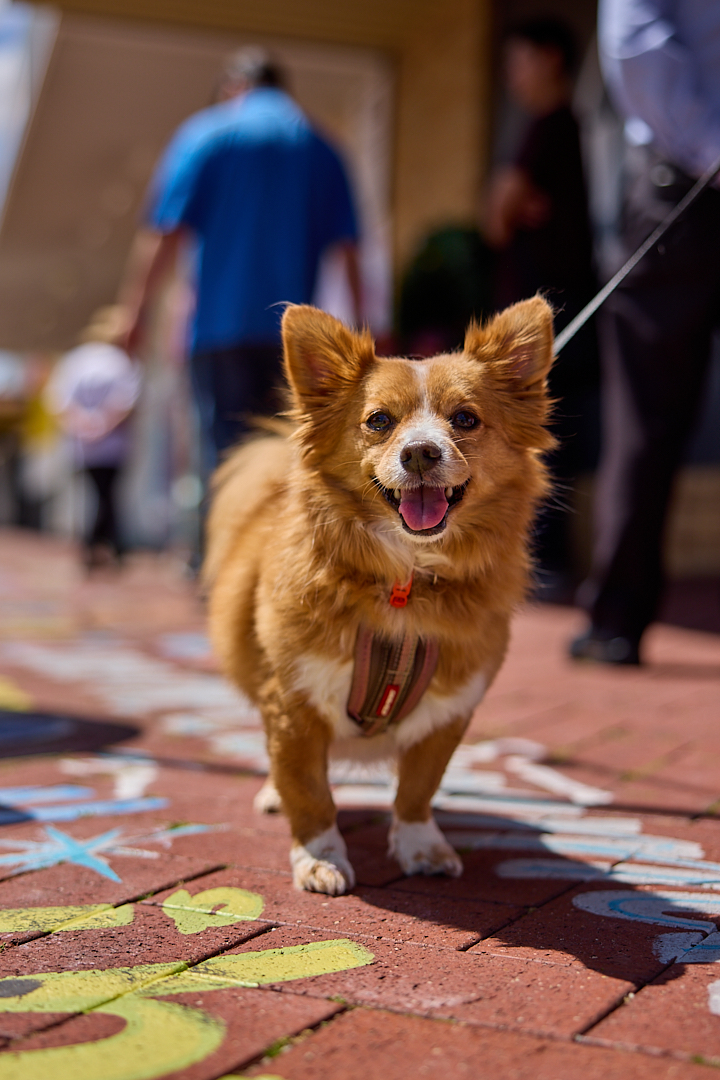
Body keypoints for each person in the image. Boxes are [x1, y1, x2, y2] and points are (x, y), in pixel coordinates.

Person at [118, 47, 361, 477]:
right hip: (295, 338)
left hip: (219, 329)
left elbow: (165, 231)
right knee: (287, 458)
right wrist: (362, 328)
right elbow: (350, 249)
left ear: (234, 87)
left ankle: (223, 544)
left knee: (225, 461)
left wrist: (135, 311)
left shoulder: (207, 134)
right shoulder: (322, 147)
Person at [570, 0, 720, 664]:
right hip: (680, 193)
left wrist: (712, 148)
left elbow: (637, 47)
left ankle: (615, 621)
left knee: (645, 420)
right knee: (645, 420)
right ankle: (615, 617)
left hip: (677, 185)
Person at [485, 19, 599, 597]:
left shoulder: (550, 127)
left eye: (519, 58)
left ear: (550, 58)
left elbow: (496, 215)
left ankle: (543, 565)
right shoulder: (566, 130)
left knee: (538, 436)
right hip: (559, 316)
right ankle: (545, 564)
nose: (511, 74)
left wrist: (510, 203)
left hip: (554, 319)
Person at [45, 308, 141, 568]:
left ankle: (99, 545)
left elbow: (58, 400)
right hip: (111, 444)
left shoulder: (75, 360)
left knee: (95, 495)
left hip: (83, 442)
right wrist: (103, 424)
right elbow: (126, 402)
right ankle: (101, 545)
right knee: (108, 495)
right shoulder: (121, 361)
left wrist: (83, 423)